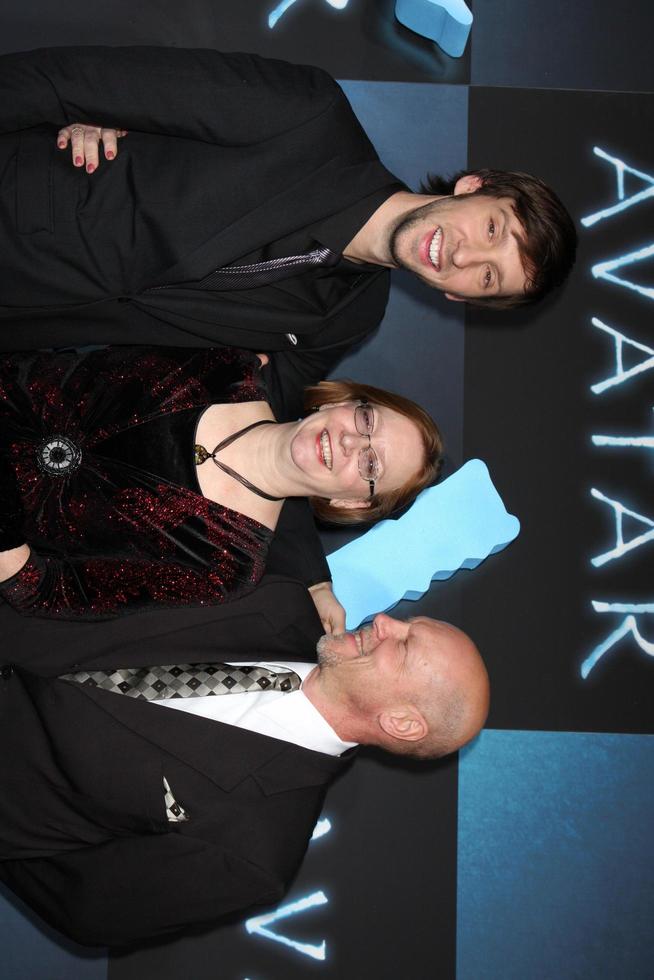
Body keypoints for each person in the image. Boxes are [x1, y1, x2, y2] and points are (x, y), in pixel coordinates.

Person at [0, 46, 577, 366]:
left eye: (487, 275)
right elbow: (68, 80)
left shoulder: (347, 322)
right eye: (493, 229)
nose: (465, 254)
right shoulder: (308, 114)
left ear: (461, 297)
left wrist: (311, 578)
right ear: (474, 187)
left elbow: (276, 439)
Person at [0, 591, 489, 947]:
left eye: (402, 646)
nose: (384, 620)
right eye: (407, 623)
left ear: (402, 723)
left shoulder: (256, 851)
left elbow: (87, 908)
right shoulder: (279, 603)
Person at [0, 344, 441, 619]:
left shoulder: (228, 565)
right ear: (340, 403)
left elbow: (52, 591)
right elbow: (58, 367)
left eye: (371, 466)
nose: (350, 441)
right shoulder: (225, 365)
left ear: (352, 505)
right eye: (365, 419)